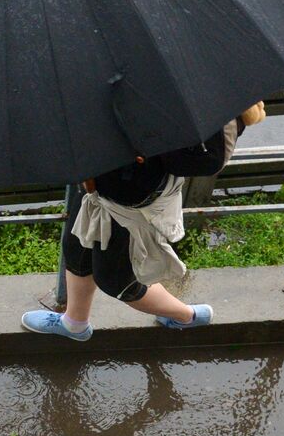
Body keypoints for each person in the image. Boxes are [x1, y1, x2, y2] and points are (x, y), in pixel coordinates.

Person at [22, 100, 266, 341]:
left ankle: (186, 316)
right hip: (95, 186)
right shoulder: (105, 76)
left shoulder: (170, 93)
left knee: (117, 281)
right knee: (77, 249)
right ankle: (74, 323)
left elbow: (203, 161)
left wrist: (143, 137)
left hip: (131, 205)